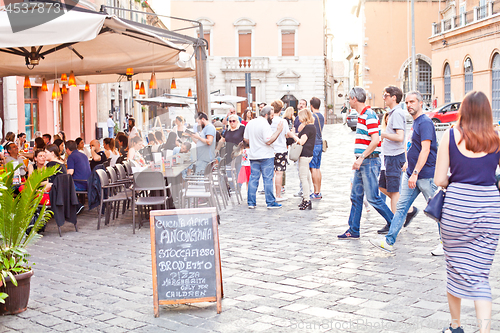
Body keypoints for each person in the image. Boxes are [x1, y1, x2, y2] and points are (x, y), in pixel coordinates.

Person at [433, 92, 500, 333]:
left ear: (464, 110)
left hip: (457, 208)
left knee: (454, 266)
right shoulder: (496, 138)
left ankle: (455, 326)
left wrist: (458, 179)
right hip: (489, 208)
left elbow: (440, 178)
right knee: (481, 274)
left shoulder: (450, 136)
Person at [370, 91, 438, 252]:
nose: (409, 105)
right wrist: (409, 164)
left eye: (412, 102)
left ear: (420, 103)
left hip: (425, 176)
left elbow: (426, 150)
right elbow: (414, 147)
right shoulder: (416, 122)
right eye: (407, 102)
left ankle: (446, 243)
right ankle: (389, 241)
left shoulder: (425, 123)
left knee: (437, 210)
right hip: (412, 174)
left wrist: (415, 172)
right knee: (401, 207)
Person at [338, 87, 393, 239]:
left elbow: (375, 141)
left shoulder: (369, 115)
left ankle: (394, 223)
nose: (349, 101)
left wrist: (361, 157)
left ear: (355, 99)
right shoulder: (363, 115)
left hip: (369, 161)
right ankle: (353, 230)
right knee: (355, 196)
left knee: (373, 198)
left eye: (349, 98)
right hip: (363, 162)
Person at [243, 106, 284, 209]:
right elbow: (268, 140)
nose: (272, 117)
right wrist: (278, 131)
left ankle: (251, 202)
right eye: (271, 115)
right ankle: (270, 202)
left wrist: (255, 143)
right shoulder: (265, 124)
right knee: (268, 179)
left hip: (253, 155)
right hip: (266, 155)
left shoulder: (251, 123)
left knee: (253, 179)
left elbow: (246, 139)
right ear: (266, 115)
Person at [378, 86, 406, 215]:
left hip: (394, 156)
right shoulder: (393, 113)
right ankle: (407, 210)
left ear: (393, 97)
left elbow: (400, 137)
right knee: (382, 186)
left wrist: (383, 134)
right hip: (389, 156)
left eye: (385, 95)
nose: (384, 98)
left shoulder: (397, 113)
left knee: (394, 191)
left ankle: (395, 222)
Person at [270, 100, 297, 201]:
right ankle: (278, 195)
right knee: (279, 172)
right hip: (281, 149)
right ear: (281, 109)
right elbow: (287, 134)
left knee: (270, 173)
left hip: (270, 149)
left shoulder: (268, 121)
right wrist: (294, 136)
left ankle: (270, 194)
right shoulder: (283, 121)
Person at [294, 109, 316, 210]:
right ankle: (306, 199)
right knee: (307, 177)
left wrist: (293, 137)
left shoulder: (307, 128)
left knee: (303, 178)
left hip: (304, 155)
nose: (299, 118)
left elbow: (301, 142)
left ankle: (306, 200)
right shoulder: (312, 126)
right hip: (309, 154)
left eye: (300, 116)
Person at [309, 97, 324, 199]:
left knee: (313, 168)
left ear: (311, 106)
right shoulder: (321, 116)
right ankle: (318, 190)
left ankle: (316, 192)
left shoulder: (313, 116)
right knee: (318, 168)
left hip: (313, 144)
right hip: (320, 143)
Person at [293, 98, 309, 198]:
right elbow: (295, 129)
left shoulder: (307, 120)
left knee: (304, 171)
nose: (301, 105)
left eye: (303, 104)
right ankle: (302, 189)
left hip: (305, 147)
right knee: (299, 170)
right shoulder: (296, 118)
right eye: (300, 104)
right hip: (297, 146)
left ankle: (306, 190)